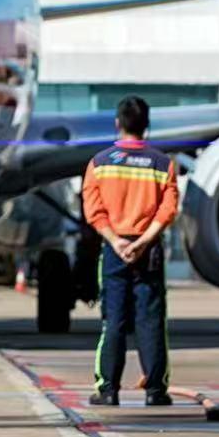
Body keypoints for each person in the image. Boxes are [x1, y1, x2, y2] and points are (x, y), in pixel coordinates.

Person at [80, 95, 178, 407]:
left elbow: (93, 211)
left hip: (114, 248)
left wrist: (116, 241)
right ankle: (155, 391)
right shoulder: (163, 165)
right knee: (151, 321)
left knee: (114, 321)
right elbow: (168, 210)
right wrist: (142, 242)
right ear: (146, 125)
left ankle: (108, 390)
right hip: (147, 250)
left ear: (117, 124)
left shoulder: (99, 163)